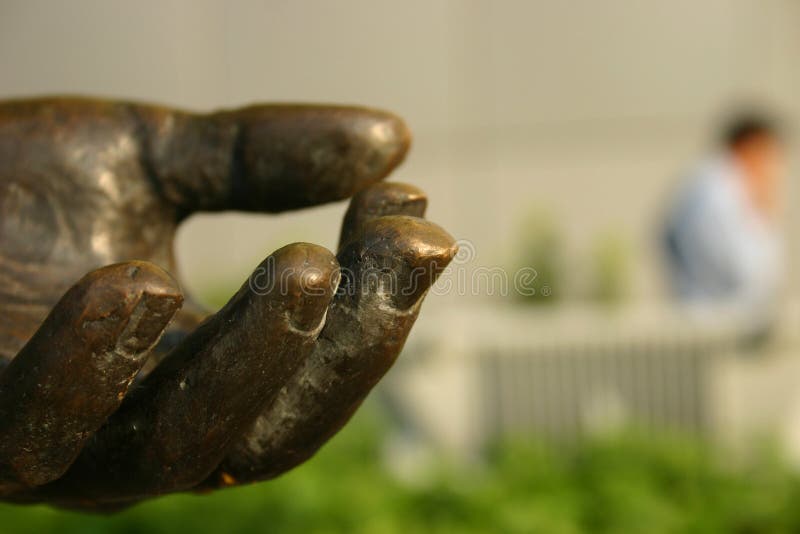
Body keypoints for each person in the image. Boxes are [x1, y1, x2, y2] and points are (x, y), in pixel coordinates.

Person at [662, 113, 786, 330]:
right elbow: (748, 272)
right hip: (717, 325)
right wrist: (764, 215)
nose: (773, 170)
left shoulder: (707, 185)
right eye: (769, 156)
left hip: (711, 320)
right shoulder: (719, 191)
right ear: (751, 147)